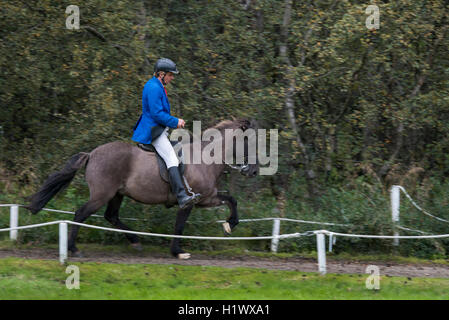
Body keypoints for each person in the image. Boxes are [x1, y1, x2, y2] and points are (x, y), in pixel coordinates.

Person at [132, 58, 200, 209]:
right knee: (171, 159)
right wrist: (175, 122)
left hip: (159, 129)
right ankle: (181, 196)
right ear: (161, 74)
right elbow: (156, 113)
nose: (172, 77)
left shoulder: (157, 85)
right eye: (170, 74)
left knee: (178, 151)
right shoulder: (154, 87)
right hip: (153, 132)